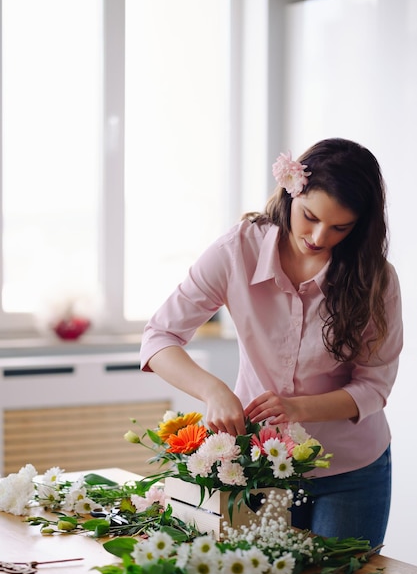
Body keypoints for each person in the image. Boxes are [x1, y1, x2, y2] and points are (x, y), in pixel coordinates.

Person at [139, 138, 403, 548]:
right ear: (290, 192)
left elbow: (374, 386)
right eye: (310, 217)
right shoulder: (236, 251)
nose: (318, 237)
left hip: (351, 470)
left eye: (340, 228)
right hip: (258, 466)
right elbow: (160, 336)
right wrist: (214, 391)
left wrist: (296, 408)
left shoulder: (377, 280)